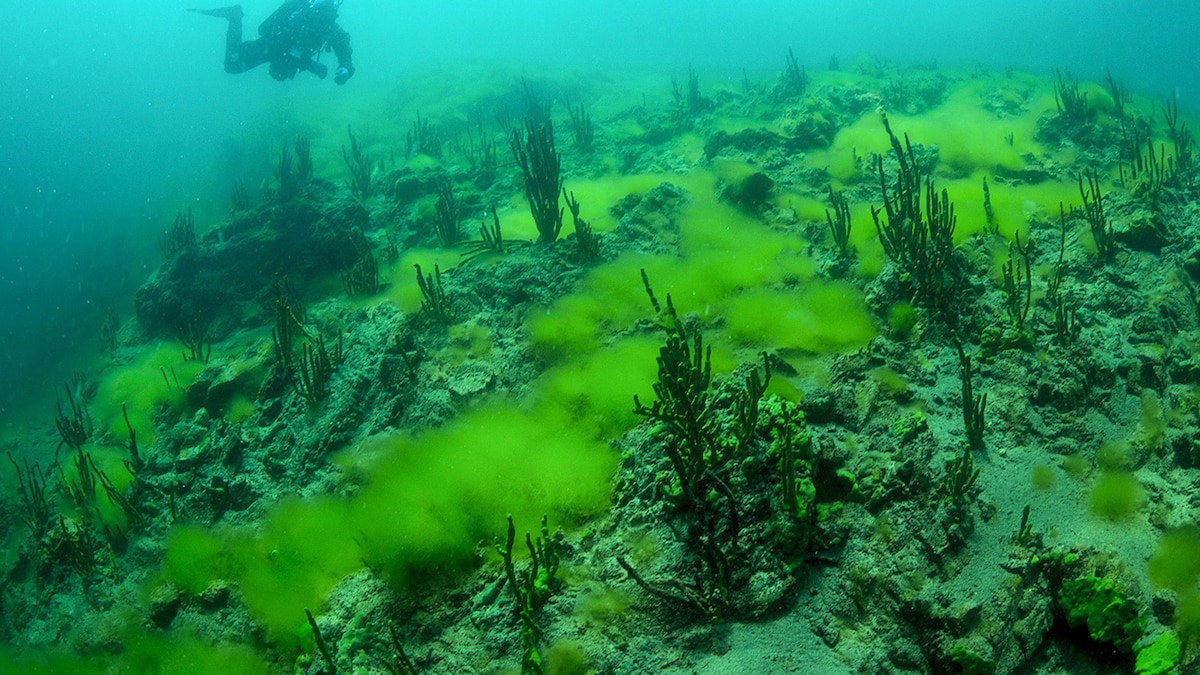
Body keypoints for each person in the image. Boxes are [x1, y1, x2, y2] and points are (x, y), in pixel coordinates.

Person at [192, 0, 354, 84]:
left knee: (232, 65)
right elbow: (286, 46)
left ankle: (235, 16)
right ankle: (235, 15)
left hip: (273, 50)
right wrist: (310, 64)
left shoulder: (328, 26)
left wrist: (346, 67)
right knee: (232, 65)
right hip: (271, 46)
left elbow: (343, 43)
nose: (327, 14)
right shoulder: (310, 18)